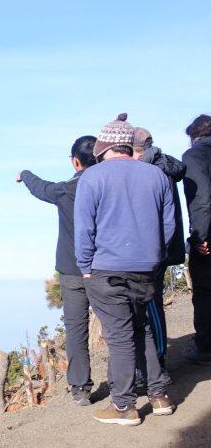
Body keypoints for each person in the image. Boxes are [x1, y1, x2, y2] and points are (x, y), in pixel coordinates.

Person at [75, 113, 175, 426]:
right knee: (141, 327)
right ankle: (159, 396)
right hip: (147, 268)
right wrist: (155, 258)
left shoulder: (93, 178)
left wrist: (85, 266)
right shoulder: (156, 176)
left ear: (104, 147)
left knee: (119, 337)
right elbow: (168, 225)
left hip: (106, 270)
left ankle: (124, 407)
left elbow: (84, 229)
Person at [17, 135, 97, 406]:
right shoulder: (111, 186)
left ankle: (80, 389)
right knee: (121, 324)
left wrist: (24, 175)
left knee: (76, 329)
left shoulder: (66, 190)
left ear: (76, 162)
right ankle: (136, 379)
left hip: (73, 270)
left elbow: (41, 187)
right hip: (107, 267)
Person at [133, 127, 186, 365]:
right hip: (160, 248)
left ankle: (159, 362)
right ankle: (157, 360)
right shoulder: (163, 166)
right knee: (152, 306)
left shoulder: (150, 171)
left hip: (153, 250)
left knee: (152, 307)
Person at [181, 114, 211, 363]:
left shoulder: (194, 156)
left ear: (194, 137)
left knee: (204, 289)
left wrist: (199, 236)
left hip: (209, 234)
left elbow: (201, 199)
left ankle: (206, 346)